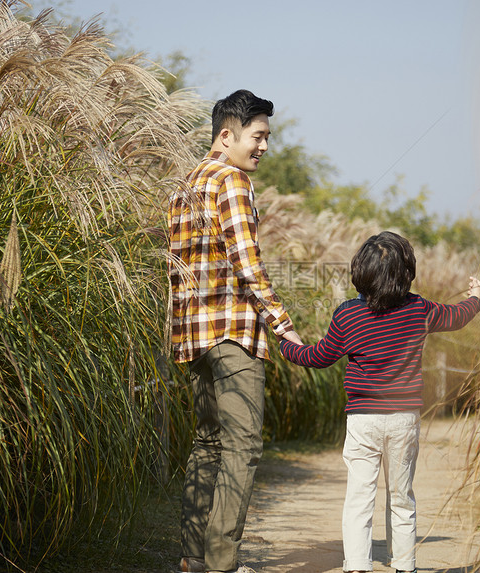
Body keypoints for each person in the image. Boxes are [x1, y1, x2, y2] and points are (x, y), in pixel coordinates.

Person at [279, 231, 480, 573]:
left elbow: (316, 357)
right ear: (406, 273)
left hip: (363, 420)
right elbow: (458, 316)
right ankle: (404, 565)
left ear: (360, 272)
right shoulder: (419, 309)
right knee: (402, 497)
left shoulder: (347, 316)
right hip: (404, 418)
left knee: (360, 497)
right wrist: (475, 297)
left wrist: (288, 342)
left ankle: (358, 565)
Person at [168, 89, 302, 573]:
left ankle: (192, 558)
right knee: (243, 446)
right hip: (232, 335)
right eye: (258, 136)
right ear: (227, 136)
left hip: (193, 338)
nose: (264, 146)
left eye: (267, 137)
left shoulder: (185, 183)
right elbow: (247, 263)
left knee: (208, 443)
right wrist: (283, 327)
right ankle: (222, 563)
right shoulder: (233, 181)